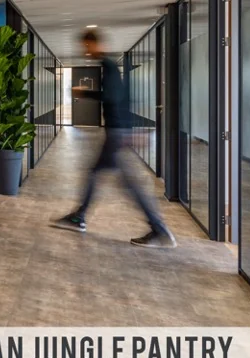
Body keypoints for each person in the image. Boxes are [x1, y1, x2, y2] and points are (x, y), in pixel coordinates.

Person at [50, 30, 176, 248]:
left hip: (117, 133)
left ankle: (159, 230)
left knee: (129, 184)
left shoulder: (108, 66)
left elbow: (113, 98)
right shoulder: (108, 66)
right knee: (105, 176)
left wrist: (85, 94)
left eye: (86, 46)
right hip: (118, 132)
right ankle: (79, 217)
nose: (85, 51)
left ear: (92, 43)